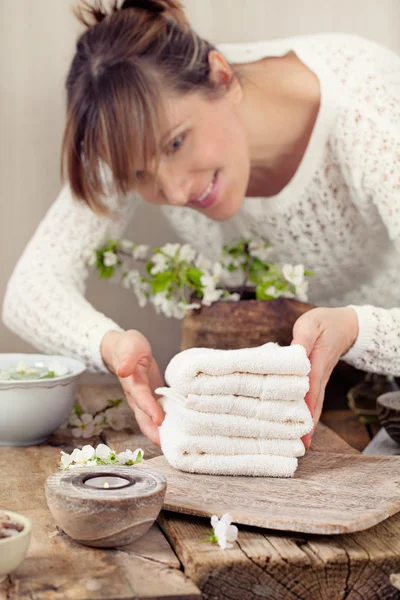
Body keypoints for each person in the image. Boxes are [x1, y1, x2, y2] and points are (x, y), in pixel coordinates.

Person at [3, 0, 400, 449]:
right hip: (268, 409)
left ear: (222, 77)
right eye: (140, 176)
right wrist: (111, 346)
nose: (174, 193)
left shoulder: (372, 112)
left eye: (175, 143)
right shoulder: (132, 122)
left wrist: (358, 330)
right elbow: (30, 288)